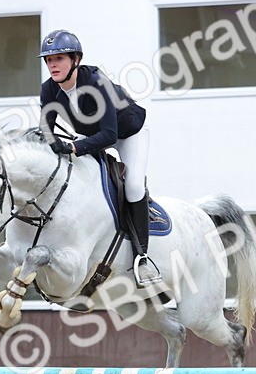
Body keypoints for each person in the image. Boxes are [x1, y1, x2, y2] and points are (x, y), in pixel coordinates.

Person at [37, 29, 162, 287]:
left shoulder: (96, 82)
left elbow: (109, 135)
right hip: (93, 138)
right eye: (49, 60)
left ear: (76, 60)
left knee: (134, 185)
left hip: (129, 134)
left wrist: (71, 148)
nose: (52, 65)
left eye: (59, 58)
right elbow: (46, 131)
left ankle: (143, 258)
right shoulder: (49, 90)